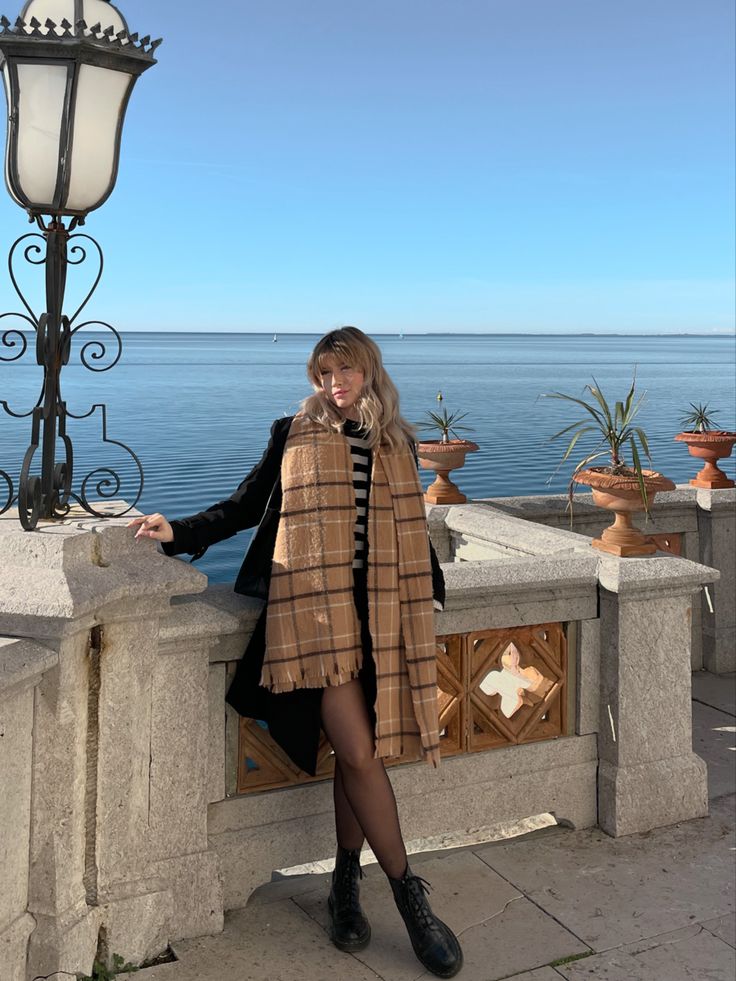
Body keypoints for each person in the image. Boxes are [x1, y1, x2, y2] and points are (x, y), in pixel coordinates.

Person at [128, 326, 463, 978]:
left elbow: (409, 531)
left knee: (351, 755)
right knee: (361, 753)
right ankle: (410, 898)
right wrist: (178, 531)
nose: (335, 384)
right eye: (324, 373)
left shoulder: (397, 441)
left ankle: (344, 884)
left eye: (346, 371)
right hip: (318, 620)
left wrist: (429, 596)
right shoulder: (293, 433)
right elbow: (245, 505)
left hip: (384, 621)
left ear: (369, 372)